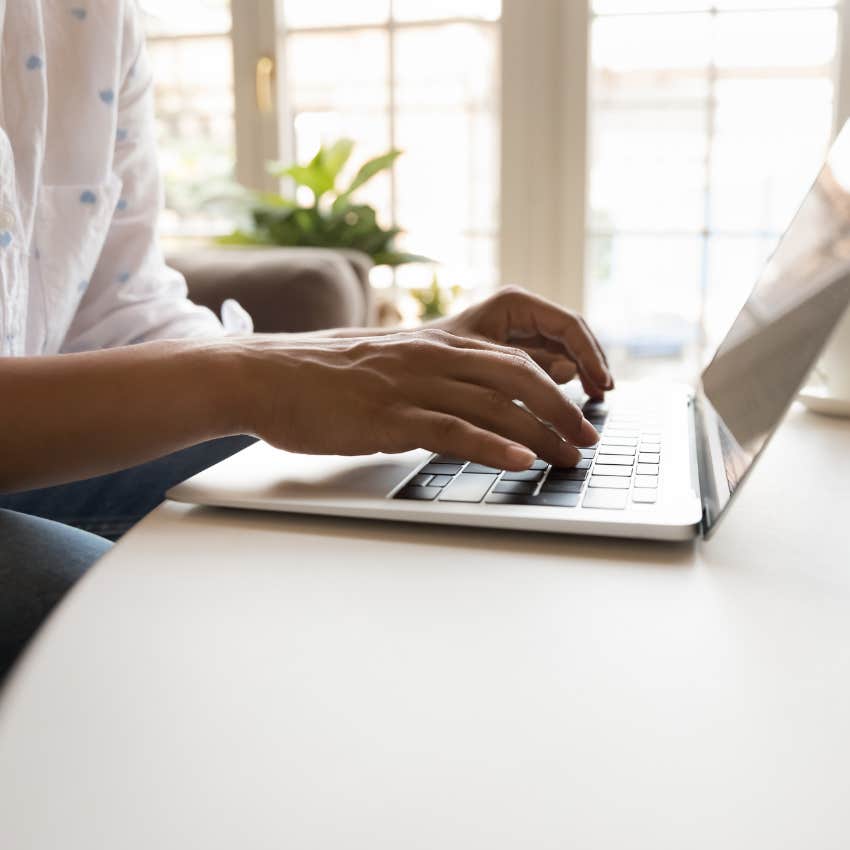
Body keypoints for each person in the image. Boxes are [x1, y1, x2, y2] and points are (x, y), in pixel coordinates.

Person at [0, 2, 613, 679]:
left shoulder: (93, 17)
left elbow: (120, 312)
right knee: (118, 630)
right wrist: (250, 379)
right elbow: (225, 376)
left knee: (371, 493)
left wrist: (396, 359)